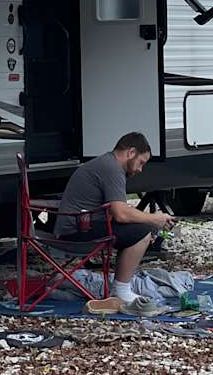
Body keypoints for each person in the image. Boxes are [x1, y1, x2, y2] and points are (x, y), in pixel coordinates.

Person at [55, 132, 173, 307]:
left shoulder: (105, 163)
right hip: (75, 231)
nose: (140, 169)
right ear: (131, 152)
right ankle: (121, 290)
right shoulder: (112, 168)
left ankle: (120, 288)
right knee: (142, 234)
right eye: (141, 163)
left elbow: (120, 211)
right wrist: (153, 220)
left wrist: (152, 220)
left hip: (74, 225)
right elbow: (121, 213)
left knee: (140, 228)